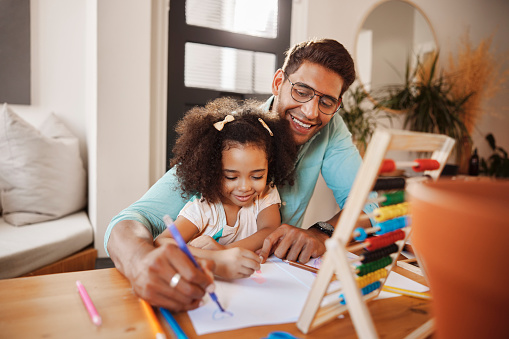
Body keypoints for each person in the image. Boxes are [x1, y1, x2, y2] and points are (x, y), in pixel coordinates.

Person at [105, 38, 376, 310]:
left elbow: (369, 206)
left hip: (275, 289)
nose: (310, 111)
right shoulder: (230, 139)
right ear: (278, 81)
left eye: (327, 101)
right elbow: (129, 222)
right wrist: (139, 263)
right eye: (302, 91)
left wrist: (323, 232)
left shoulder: (330, 127)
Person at [154, 98, 297, 280]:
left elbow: (270, 229)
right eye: (231, 177)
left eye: (257, 176)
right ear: (212, 171)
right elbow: (161, 242)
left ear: (269, 166)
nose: (245, 187)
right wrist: (216, 258)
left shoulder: (265, 193)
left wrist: (226, 252)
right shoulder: (204, 208)